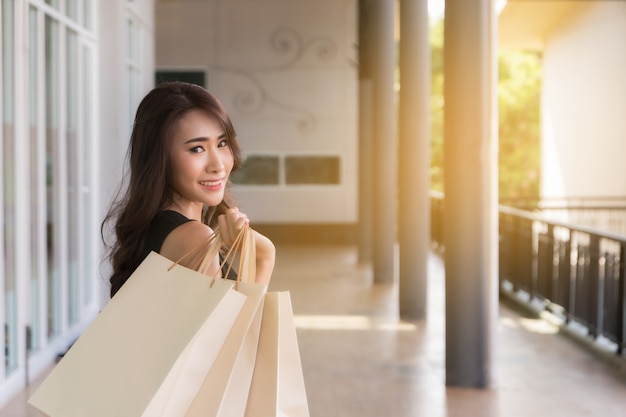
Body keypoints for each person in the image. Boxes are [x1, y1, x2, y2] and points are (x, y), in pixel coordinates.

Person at [102, 81, 275, 297]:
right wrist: (264, 255)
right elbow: (237, 331)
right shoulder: (195, 238)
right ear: (160, 158)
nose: (218, 165)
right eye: (197, 149)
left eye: (222, 143)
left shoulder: (155, 229)